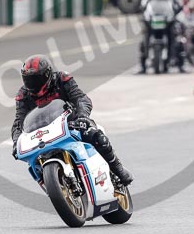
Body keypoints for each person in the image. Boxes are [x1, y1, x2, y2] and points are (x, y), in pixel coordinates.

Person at [11, 55, 133, 186]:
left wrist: (82, 116)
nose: (33, 84)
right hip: (43, 132)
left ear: (47, 74)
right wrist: (16, 142)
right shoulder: (23, 94)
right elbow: (19, 121)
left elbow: (81, 99)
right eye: (29, 80)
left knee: (95, 135)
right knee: (34, 162)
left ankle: (119, 170)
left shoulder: (62, 78)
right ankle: (53, 186)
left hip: (71, 122)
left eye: (36, 79)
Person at [138, 0, 180, 74]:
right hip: (152, 18)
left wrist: (177, 8)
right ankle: (143, 64)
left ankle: (172, 60)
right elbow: (144, 1)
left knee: (174, 37)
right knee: (145, 38)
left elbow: (178, 2)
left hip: (168, 18)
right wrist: (143, 8)